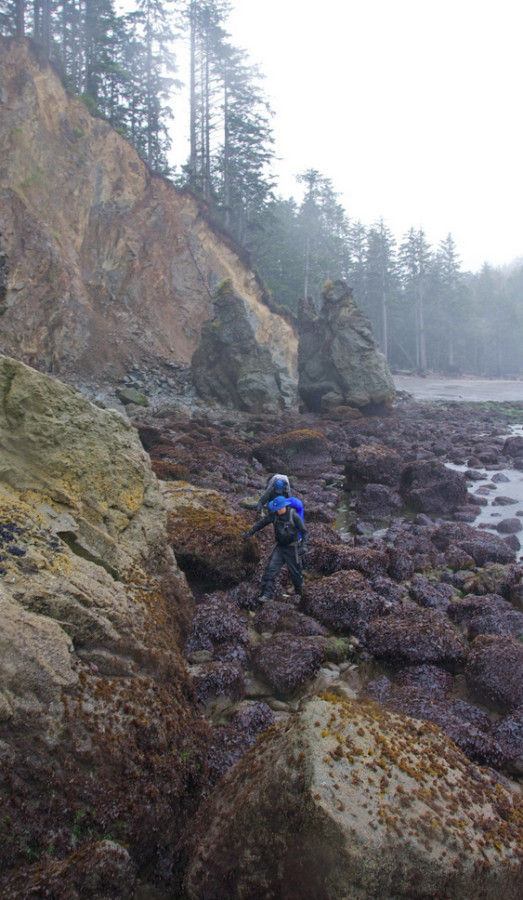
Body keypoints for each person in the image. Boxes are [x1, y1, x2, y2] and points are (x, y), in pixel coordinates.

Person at [242, 495, 308, 603]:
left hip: (292, 547)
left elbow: (305, 532)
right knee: (270, 570)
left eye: (279, 509)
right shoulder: (274, 515)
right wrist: (250, 533)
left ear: (284, 507)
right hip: (280, 547)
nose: (277, 511)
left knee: (296, 573)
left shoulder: (293, 515)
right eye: (276, 509)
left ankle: (299, 594)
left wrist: (304, 546)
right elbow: (261, 524)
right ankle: (267, 595)